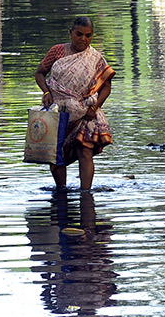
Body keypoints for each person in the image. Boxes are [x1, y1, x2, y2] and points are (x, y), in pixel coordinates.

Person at [34, 16, 115, 190]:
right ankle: (61, 191)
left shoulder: (95, 58)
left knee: (85, 150)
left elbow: (106, 87)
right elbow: (40, 73)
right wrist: (46, 92)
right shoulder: (57, 51)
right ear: (70, 33)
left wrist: (95, 107)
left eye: (88, 35)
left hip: (87, 112)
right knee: (56, 154)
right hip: (59, 112)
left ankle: (86, 193)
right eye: (79, 34)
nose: (83, 39)